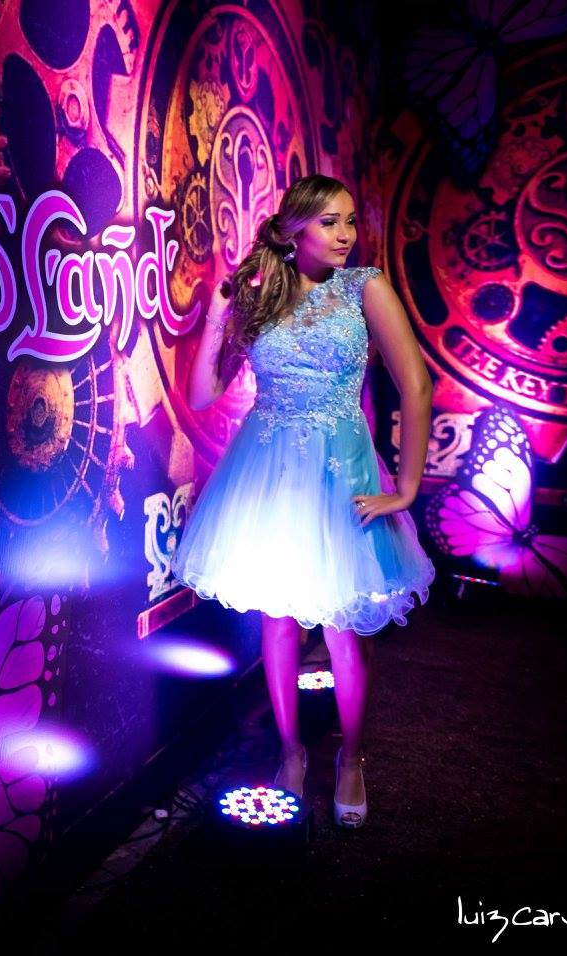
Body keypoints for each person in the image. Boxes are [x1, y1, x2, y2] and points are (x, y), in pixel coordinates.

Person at [168, 174, 435, 829]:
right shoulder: (262, 292)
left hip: (340, 471)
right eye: (328, 222)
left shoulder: (364, 287)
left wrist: (406, 487)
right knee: (279, 620)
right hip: (268, 472)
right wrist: (216, 314)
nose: (345, 234)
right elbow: (201, 396)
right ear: (293, 230)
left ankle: (352, 758)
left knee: (344, 629)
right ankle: (291, 754)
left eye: (349, 220)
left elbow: (416, 385)